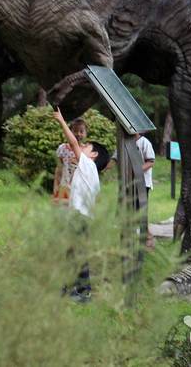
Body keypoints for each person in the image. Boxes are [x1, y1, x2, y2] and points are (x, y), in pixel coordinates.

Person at [53, 107, 109, 301]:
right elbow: (96, 198)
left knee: (77, 253)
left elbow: (71, 142)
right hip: (83, 216)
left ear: (92, 155)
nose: (81, 146)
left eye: (86, 147)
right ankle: (68, 289)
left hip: (79, 216)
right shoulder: (89, 171)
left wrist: (61, 120)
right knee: (72, 252)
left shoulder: (87, 164)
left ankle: (85, 292)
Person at [105, 131, 156, 247]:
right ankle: (128, 240)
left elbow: (150, 162)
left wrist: (136, 170)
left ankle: (148, 237)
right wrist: (103, 168)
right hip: (126, 183)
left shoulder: (144, 143)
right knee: (126, 211)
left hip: (141, 184)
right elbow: (115, 160)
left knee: (139, 212)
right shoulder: (123, 143)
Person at [52, 117, 87, 205]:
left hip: (80, 187)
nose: (78, 134)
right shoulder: (63, 148)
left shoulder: (87, 150)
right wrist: (56, 185)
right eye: (75, 131)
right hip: (65, 186)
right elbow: (59, 168)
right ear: (69, 132)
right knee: (62, 209)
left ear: (85, 133)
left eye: (81, 131)